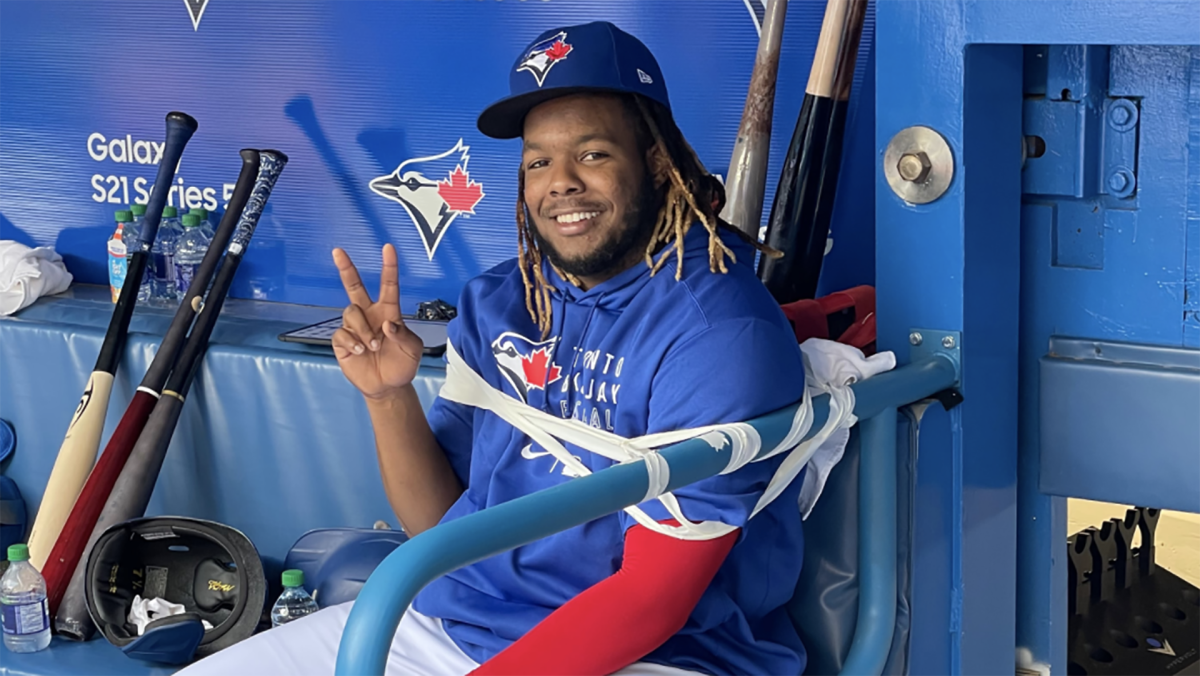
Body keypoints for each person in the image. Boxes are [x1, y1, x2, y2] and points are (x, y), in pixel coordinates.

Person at [178, 20, 810, 676]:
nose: (559, 181)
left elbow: (652, 601)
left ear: (654, 160)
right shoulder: (501, 300)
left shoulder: (718, 330)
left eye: (592, 154)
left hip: (659, 655)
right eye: (538, 161)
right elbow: (441, 532)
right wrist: (389, 397)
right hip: (456, 622)